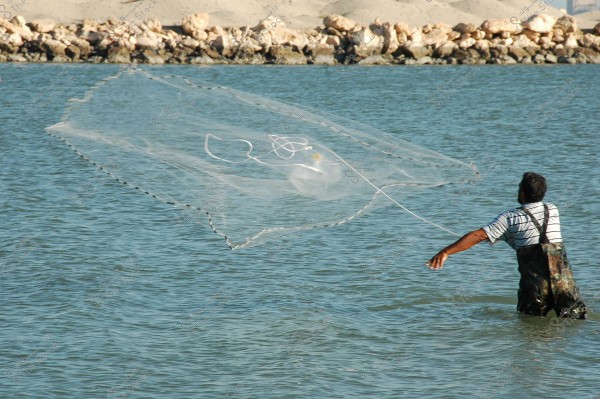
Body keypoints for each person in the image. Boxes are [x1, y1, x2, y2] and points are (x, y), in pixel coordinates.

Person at [427, 172, 586, 319]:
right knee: (574, 319)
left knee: (531, 326)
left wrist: (446, 252)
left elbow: (478, 235)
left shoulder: (510, 218)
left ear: (522, 192)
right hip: (563, 283)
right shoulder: (553, 210)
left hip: (535, 288)